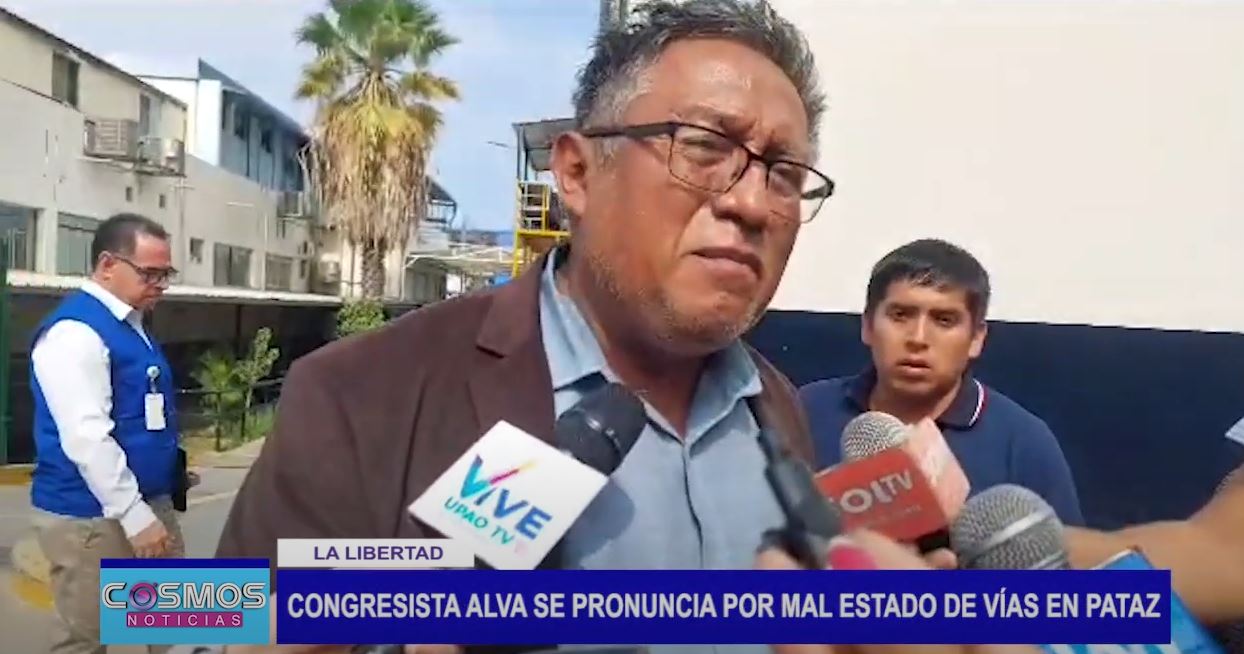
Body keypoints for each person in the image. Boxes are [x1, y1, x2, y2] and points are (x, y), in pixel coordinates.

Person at [217, 0, 832, 652]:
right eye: (705, 147)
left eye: (784, 173)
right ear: (577, 173)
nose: (752, 203)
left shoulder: (778, 407)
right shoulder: (360, 395)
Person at [798, 239, 1084, 526]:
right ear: (868, 326)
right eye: (900, 315)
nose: (918, 338)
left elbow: (1062, 549)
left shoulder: (1024, 442)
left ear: (976, 338)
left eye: (944, 320)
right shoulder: (804, 410)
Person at [30, 213, 185, 654]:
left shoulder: (132, 323)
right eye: (150, 273)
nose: (160, 285)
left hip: (147, 502)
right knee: (87, 640)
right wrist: (135, 515)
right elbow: (87, 436)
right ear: (107, 265)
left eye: (166, 273)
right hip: (92, 517)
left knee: (173, 627)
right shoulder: (74, 333)